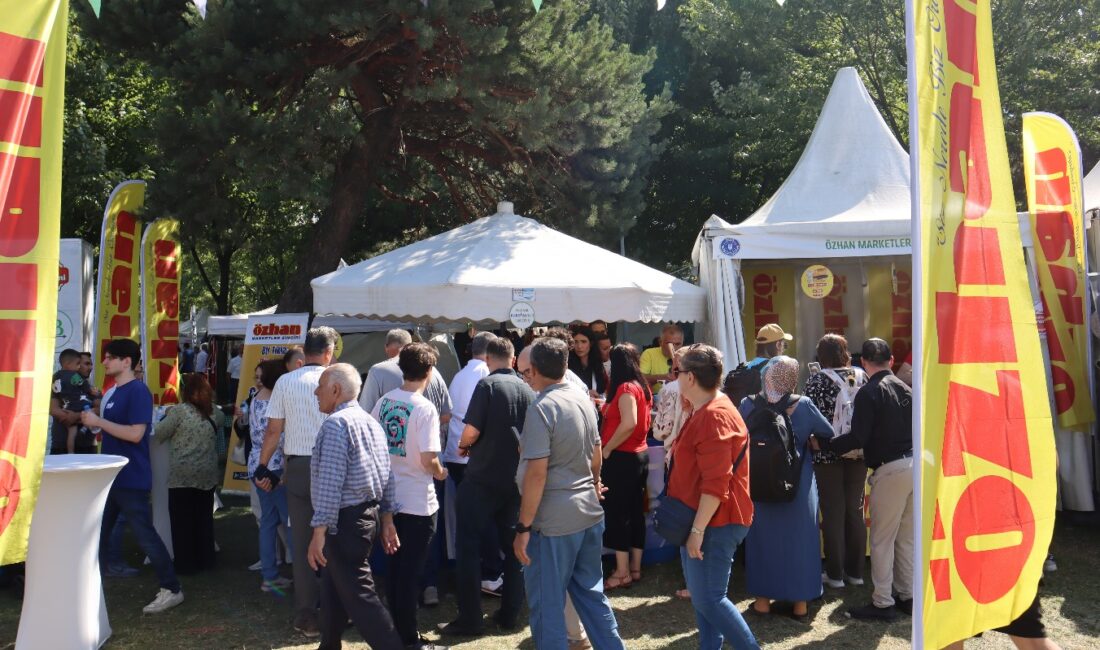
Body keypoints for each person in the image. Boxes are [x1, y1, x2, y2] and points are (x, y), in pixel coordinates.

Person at [513, 337, 626, 650]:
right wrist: (593, 483)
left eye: (525, 372)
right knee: (591, 595)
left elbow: (537, 474)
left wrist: (523, 527)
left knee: (548, 605)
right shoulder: (581, 399)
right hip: (586, 512)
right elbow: (596, 451)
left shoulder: (542, 407)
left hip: (554, 522)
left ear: (533, 371)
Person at [666, 344, 759, 649]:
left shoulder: (715, 415)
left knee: (711, 599)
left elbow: (716, 483)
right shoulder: (707, 409)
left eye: (677, 372)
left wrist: (696, 531)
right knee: (704, 600)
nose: (675, 378)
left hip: (716, 521)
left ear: (690, 377)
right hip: (707, 519)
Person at [81, 338, 183, 614]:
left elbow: (136, 433)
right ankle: (88, 588)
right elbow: (112, 429)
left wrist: (98, 422)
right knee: (98, 533)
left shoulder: (138, 391)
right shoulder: (113, 392)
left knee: (144, 535)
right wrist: (94, 424)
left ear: (127, 361)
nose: (104, 362)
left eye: (110, 357)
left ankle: (171, 588)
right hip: (112, 475)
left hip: (130, 476)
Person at [306, 364, 405, 650]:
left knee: (361, 597)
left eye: (321, 385)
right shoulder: (369, 421)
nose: (316, 391)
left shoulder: (336, 424)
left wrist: (319, 531)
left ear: (336, 390)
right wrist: (386, 520)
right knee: (334, 587)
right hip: (364, 518)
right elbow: (387, 474)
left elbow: (330, 482)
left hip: (346, 522)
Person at [441, 337, 533, 637]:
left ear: (488, 360)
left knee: (468, 546)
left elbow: (470, 431)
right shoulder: (527, 388)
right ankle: (509, 614)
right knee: (514, 548)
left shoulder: (488, 386)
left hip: (481, 479)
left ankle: (470, 618)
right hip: (515, 481)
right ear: (514, 358)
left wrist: (464, 445)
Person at [821, 338, 913, 621]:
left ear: (863, 362)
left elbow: (858, 437)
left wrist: (826, 445)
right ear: (892, 359)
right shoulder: (907, 388)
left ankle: (883, 601)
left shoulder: (869, 392)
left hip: (889, 469)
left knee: (883, 541)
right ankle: (907, 596)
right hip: (914, 465)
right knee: (906, 538)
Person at [256, 326, 339, 637]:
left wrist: (262, 466)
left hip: (300, 466)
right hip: (333, 465)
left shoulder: (285, 382)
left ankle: (307, 613)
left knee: (303, 541)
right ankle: (337, 607)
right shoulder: (338, 380)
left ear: (306, 351)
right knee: (335, 537)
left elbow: (273, 432)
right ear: (329, 353)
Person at [367, 344, 449, 650]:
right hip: (417, 500)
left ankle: (399, 633)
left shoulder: (385, 401)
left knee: (395, 571)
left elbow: (375, 445)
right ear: (429, 372)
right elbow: (429, 458)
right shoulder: (425, 408)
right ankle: (408, 638)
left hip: (389, 498)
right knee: (410, 573)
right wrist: (441, 472)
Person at [740, 356, 834, 619]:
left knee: (761, 542)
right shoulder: (803, 405)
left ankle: (762, 602)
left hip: (757, 483)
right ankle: (800, 604)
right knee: (801, 542)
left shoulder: (747, 405)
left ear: (766, 375)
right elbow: (827, 432)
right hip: (798, 484)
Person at [439, 331, 503, 608]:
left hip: (455, 456)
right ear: (490, 354)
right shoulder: (484, 378)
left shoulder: (458, 375)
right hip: (472, 457)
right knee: (485, 517)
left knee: (470, 518)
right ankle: (491, 572)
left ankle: (478, 571)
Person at [804, 334, 869, 589]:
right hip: (858, 451)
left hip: (826, 452)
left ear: (821, 355)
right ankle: (856, 572)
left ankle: (835, 574)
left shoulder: (818, 380)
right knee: (855, 511)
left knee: (832, 512)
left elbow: (809, 414)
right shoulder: (861, 376)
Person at [155, 373, 224, 575]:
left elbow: (159, 433)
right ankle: (206, 560)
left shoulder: (178, 412)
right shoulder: (215, 414)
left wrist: (166, 414)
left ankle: (185, 564)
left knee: (181, 521)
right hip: (207, 473)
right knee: (204, 519)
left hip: (182, 474)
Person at [599, 343, 652, 590]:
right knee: (634, 510)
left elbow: (629, 422)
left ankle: (621, 572)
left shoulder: (625, 387)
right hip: (638, 455)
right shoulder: (641, 386)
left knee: (618, 513)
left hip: (622, 457)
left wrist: (608, 448)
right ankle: (634, 567)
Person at [246, 359, 292, 592]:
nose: (257, 380)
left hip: (257, 463)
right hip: (272, 467)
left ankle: (270, 574)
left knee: (268, 521)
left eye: (259, 375)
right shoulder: (273, 401)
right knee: (289, 520)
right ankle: (306, 571)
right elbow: (277, 437)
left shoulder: (256, 398)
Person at [50, 348, 97, 454]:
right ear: (68, 364)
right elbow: (53, 409)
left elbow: (100, 409)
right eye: (84, 363)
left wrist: (75, 416)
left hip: (87, 448)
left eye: (90, 364)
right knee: (73, 433)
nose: (90, 367)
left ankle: (71, 453)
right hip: (60, 447)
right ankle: (71, 453)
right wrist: (79, 416)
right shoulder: (77, 379)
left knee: (73, 432)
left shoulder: (56, 376)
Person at [639, 324, 684, 394]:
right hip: (656, 397)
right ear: (660, 342)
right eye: (670, 343)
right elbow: (639, 377)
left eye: (678, 344)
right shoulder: (649, 354)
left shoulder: (687, 356)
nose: (674, 348)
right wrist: (662, 377)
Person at [568, 329, 608, 396]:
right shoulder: (567, 366)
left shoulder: (599, 364)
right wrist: (586, 392)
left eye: (583, 342)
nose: (579, 346)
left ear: (591, 343)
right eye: (575, 342)